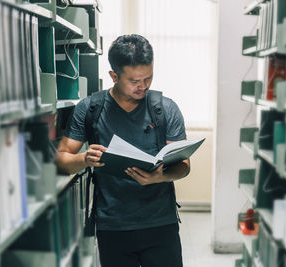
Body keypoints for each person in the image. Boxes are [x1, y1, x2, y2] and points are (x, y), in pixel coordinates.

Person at [55, 34, 189, 267]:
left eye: (148, 78)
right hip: (113, 226)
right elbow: (61, 159)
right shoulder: (91, 108)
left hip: (160, 224)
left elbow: (184, 167)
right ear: (114, 76)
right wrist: (84, 159)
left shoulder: (166, 109)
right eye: (135, 81)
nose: (143, 86)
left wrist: (161, 176)